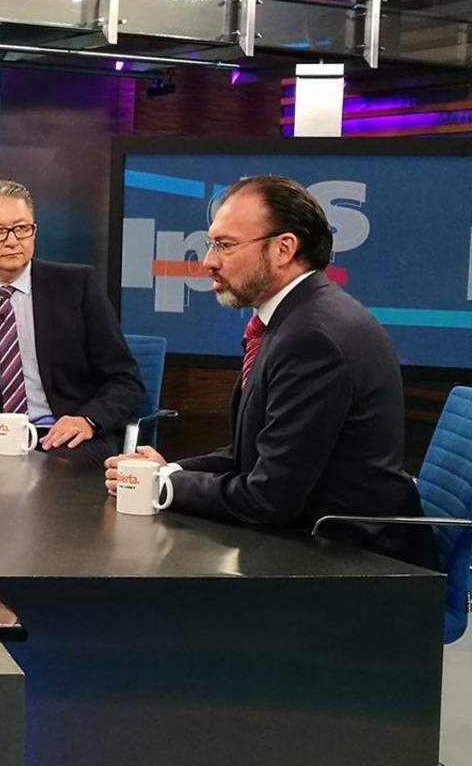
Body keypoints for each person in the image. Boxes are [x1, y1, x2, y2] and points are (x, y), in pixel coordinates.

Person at [104, 176, 437, 569]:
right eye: (211, 244)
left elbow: (268, 498)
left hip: (353, 558)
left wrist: (162, 486)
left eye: (225, 245)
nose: (208, 261)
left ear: (283, 248)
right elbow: (250, 455)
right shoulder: (294, 319)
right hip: (314, 535)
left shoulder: (312, 339)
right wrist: (169, 471)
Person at [0, 179, 144, 465]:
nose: (13, 241)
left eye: (22, 228)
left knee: (44, 473)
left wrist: (88, 420)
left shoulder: (77, 286)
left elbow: (125, 380)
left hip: (66, 439)